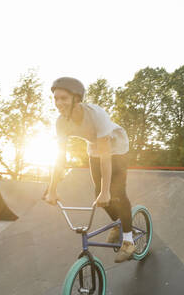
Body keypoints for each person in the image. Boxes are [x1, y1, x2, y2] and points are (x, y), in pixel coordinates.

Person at [43, 77, 135, 263]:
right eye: (55, 98)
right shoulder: (61, 122)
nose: (58, 103)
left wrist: (106, 190)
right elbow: (60, 157)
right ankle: (118, 223)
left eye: (63, 98)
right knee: (98, 194)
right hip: (94, 148)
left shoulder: (96, 115)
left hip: (116, 147)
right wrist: (52, 189)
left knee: (114, 192)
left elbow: (106, 156)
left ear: (76, 99)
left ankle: (128, 239)